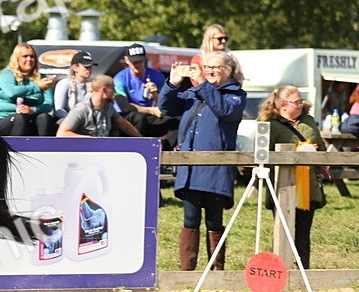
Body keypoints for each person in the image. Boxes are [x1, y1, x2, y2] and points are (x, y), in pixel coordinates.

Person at [159, 51, 246, 271]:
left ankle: (216, 271)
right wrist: (172, 84)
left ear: (228, 70)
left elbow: (225, 111)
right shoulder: (194, 93)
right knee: (190, 219)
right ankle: (187, 272)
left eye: (215, 68)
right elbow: (166, 108)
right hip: (190, 169)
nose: (209, 72)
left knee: (214, 220)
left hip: (216, 170)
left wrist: (203, 84)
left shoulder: (235, 95)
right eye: (206, 67)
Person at [257, 86, 329, 268]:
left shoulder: (309, 120)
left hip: (309, 185)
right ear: (282, 105)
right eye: (296, 102)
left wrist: (322, 162)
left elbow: (320, 146)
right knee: (283, 233)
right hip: (283, 186)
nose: (301, 104)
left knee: (303, 233)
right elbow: (263, 156)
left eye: (301, 100)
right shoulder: (269, 124)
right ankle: (281, 271)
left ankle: (303, 272)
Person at [115, 42, 179, 144]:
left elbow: (166, 106)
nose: (137, 65)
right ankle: (135, 147)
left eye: (140, 61)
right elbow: (124, 106)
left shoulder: (157, 76)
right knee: (139, 118)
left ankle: (166, 150)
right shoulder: (120, 78)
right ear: (127, 60)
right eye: (134, 62)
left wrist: (155, 95)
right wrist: (151, 110)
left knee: (176, 120)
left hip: (149, 117)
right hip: (129, 118)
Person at [0, 43, 56, 136]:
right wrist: (38, 87)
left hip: (32, 118)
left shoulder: (42, 78)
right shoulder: (7, 74)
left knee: (45, 118)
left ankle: (44, 145)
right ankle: (16, 145)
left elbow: (49, 104)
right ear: (17, 58)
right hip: (7, 119)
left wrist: (32, 110)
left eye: (32, 56)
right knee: (21, 119)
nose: (29, 59)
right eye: (25, 56)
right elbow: (12, 92)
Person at [57, 75, 143, 138]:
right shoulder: (81, 109)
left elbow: (124, 125)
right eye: (113, 88)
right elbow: (61, 134)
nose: (114, 92)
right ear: (104, 89)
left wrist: (142, 139)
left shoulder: (108, 107)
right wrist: (90, 140)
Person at [53, 50, 95, 120]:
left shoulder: (92, 86)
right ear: (75, 68)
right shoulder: (64, 84)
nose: (89, 69)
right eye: (86, 66)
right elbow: (59, 111)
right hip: (67, 121)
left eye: (91, 66)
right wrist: (74, 120)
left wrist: (91, 94)